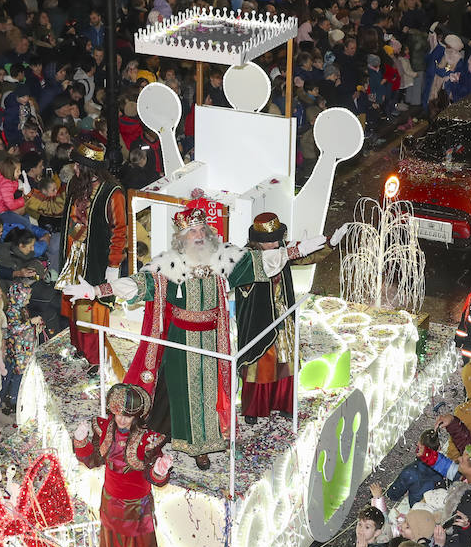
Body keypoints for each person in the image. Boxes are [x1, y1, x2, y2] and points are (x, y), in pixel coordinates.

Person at [70, 197, 325, 469]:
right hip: (181, 341)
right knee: (185, 393)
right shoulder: (167, 266)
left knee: (211, 391)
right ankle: (193, 447)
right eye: (193, 231)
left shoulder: (222, 258)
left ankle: (211, 441)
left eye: (203, 230)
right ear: (182, 237)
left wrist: (296, 250)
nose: (200, 235)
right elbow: (136, 285)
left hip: (214, 339)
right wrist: (96, 291)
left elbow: (260, 262)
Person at [72, 384, 171, 547]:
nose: (122, 420)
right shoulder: (105, 430)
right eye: (118, 415)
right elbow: (92, 460)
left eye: (127, 416)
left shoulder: (147, 440)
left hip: (137, 509)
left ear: (136, 416)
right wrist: (81, 442)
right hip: (110, 505)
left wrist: (159, 470)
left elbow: (154, 476)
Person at [58, 142, 127, 371]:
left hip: (96, 260)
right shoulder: (74, 186)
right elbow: (61, 211)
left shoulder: (112, 193)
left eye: (78, 165)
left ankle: (96, 358)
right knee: (73, 306)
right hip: (74, 256)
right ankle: (80, 348)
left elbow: (119, 231)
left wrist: (113, 265)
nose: (74, 169)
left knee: (91, 309)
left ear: (89, 168)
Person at [233, 212, 300, 423]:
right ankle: (254, 409)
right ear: (256, 242)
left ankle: (284, 403)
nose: (272, 245)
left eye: (275, 240)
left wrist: (329, 243)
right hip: (258, 319)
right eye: (267, 242)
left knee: (285, 360)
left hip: (283, 314)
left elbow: (305, 254)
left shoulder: (282, 251)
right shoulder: (245, 259)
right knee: (259, 362)